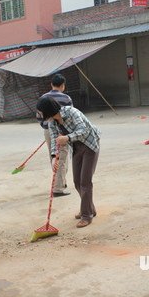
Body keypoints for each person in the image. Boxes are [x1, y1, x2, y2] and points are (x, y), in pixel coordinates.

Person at [36, 96, 100, 228]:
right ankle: (90, 209)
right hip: (76, 147)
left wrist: (67, 137)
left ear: (48, 110)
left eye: (41, 112)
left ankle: (86, 215)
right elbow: (54, 140)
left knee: (85, 182)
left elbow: (84, 130)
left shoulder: (71, 112)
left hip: (90, 145)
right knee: (77, 181)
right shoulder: (52, 122)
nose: (40, 115)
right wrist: (54, 157)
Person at [36, 74, 73, 197]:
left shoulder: (43, 98)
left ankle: (60, 182)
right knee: (62, 158)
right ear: (63, 85)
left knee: (54, 157)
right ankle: (58, 188)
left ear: (51, 84)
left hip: (48, 130)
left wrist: (46, 127)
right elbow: (70, 116)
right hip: (63, 131)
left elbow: (39, 117)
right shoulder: (66, 98)